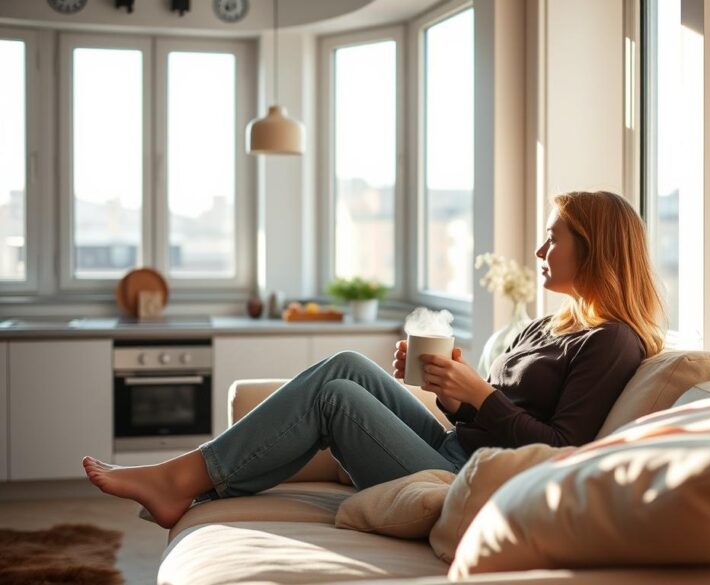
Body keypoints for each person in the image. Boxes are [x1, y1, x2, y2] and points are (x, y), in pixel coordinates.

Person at [83, 190, 665, 529]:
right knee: (346, 366)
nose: (539, 251)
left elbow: (563, 450)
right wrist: (450, 390)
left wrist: (481, 395)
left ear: (595, 249)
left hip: (474, 481)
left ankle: (181, 479)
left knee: (333, 398)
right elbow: (483, 419)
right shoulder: (547, 324)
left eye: (553, 238)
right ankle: (196, 481)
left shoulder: (612, 342)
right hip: (458, 449)